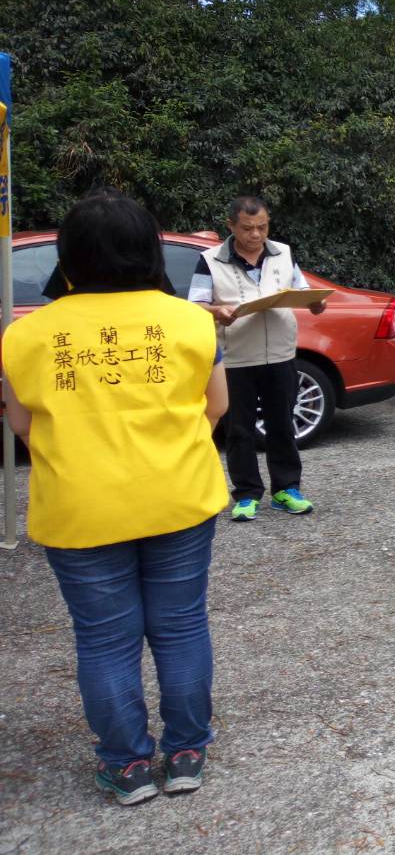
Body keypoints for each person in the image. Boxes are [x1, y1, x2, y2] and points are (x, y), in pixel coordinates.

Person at [3, 193, 230, 804]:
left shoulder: (26, 334)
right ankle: (186, 753)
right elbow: (216, 407)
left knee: (104, 638)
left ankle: (127, 766)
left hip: (80, 507)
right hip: (179, 497)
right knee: (181, 626)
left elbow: (23, 426)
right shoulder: (190, 321)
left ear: (69, 256)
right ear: (150, 251)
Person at [188, 196, 327, 522]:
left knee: (282, 425)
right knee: (239, 429)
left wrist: (315, 303)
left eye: (262, 227)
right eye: (247, 228)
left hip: (280, 354)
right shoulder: (209, 260)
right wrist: (214, 311)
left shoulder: (282, 253)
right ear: (231, 226)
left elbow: (302, 289)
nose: (256, 234)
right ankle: (247, 494)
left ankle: (286, 489)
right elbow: (194, 304)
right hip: (236, 358)